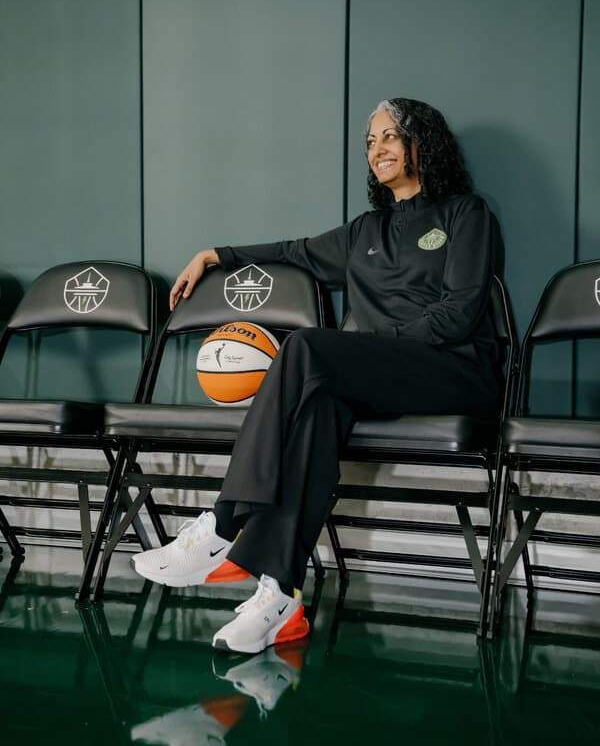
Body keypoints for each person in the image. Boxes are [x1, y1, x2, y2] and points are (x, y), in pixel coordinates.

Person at [132, 98, 501, 655]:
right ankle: (279, 596)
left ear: (422, 142)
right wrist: (214, 254)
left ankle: (223, 523)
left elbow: (460, 313)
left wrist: (372, 346)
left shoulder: (465, 213)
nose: (377, 149)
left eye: (390, 136)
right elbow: (293, 253)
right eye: (370, 141)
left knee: (305, 346)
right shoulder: (366, 231)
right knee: (318, 409)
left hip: (456, 372)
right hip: (379, 374)